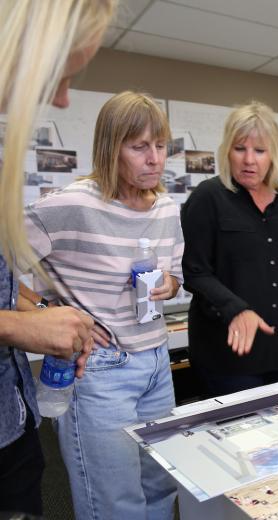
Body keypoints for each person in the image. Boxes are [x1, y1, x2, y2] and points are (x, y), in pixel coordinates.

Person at [23, 91, 182, 519]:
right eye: (139, 147)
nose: (154, 159)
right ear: (112, 148)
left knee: (161, 486)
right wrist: (43, 309)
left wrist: (170, 282)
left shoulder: (166, 207)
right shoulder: (71, 205)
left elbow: (176, 273)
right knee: (115, 503)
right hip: (100, 370)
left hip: (156, 361)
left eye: (161, 146)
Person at [0, 1, 115, 516]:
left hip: (14, 419)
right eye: (60, 74)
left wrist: (40, 315)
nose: (65, 99)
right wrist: (23, 330)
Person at [181, 102, 278, 397]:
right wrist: (236, 308)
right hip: (229, 354)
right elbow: (194, 271)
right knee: (240, 439)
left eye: (259, 150)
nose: (249, 160)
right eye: (240, 149)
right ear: (227, 151)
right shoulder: (208, 197)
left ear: (273, 153)